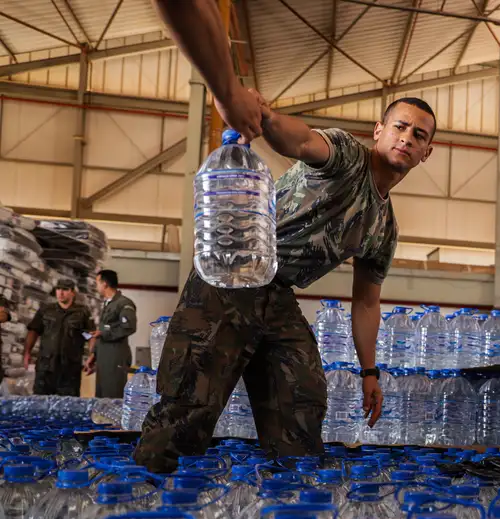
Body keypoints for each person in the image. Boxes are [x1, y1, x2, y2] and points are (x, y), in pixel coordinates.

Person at [136, 1, 435, 473]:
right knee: (190, 400)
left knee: (301, 397)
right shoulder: (344, 154)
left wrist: (370, 371)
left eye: (418, 135)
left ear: (425, 153)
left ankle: (287, 504)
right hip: (232, 274)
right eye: (399, 127)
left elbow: (366, 303)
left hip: (276, 294)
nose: (407, 138)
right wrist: (260, 115)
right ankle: (147, 494)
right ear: (379, 131)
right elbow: (296, 140)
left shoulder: (384, 226)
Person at [24, 278, 95, 396]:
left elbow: (90, 336)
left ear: (73, 292)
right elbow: (34, 331)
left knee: (67, 406)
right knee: (40, 404)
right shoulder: (46, 310)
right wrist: (27, 353)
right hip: (46, 367)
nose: (60, 293)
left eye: (65, 290)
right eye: (58, 289)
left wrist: (92, 356)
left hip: (69, 368)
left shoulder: (82, 313)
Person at [86, 269, 137, 398]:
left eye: (97, 282)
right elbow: (102, 330)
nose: (96, 286)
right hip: (104, 357)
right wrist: (94, 355)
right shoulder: (108, 304)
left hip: (115, 358)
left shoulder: (124, 303)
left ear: (105, 284)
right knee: (101, 397)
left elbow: (129, 327)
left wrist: (104, 333)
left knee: (112, 396)